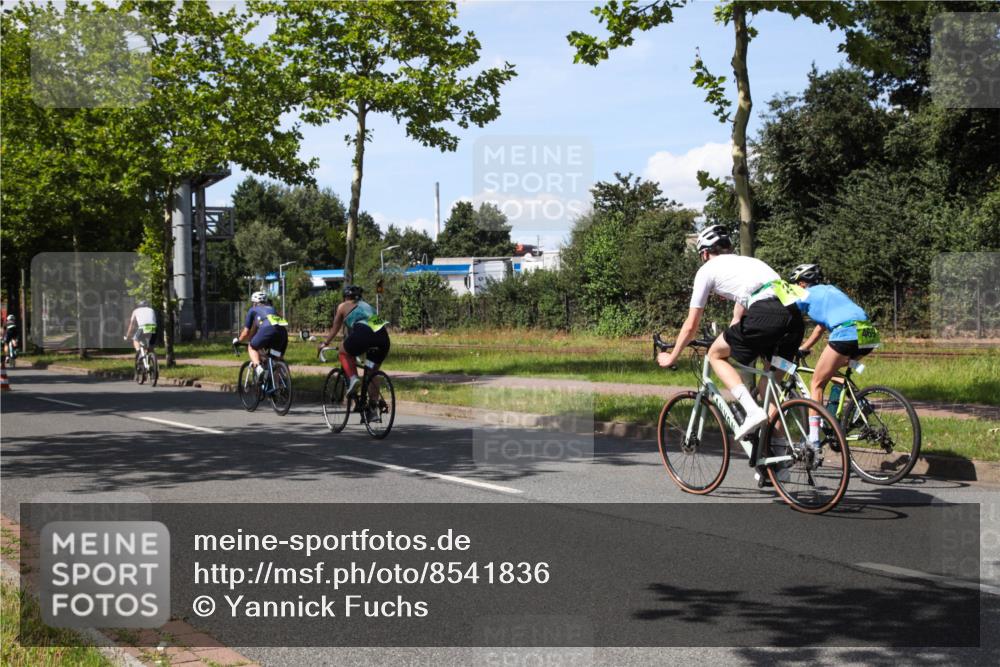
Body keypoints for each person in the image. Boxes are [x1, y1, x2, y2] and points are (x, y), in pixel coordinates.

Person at [656, 225, 806, 442]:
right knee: (768, 387)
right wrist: (733, 327)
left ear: (705, 253)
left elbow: (691, 325)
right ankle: (781, 453)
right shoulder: (750, 263)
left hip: (765, 314)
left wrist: (672, 356)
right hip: (793, 316)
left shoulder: (706, 270)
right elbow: (744, 303)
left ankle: (751, 411)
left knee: (715, 355)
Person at [790, 263, 881, 446]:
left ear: (801, 283)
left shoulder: (804, 294)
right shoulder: (831, 291)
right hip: (869, 333)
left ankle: (813, 439)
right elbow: (819, 329)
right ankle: (860, 404)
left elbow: (789, 316)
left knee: (816, 383)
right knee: (832, 372)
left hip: (846, 333)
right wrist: (804, 348)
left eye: (796, 284)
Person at [319, 285, 390, 411]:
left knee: (343, 351)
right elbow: (374, 325)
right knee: (371, 372)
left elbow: (336, 327)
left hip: (364, 333)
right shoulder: (367, 306)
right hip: (382, 337)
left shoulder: (343, 306)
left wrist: (325, 343)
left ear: (345, 297)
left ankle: (353, 378)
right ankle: (373, 409)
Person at [234, 291, 288, 381]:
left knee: (251, 347)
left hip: (267, 329)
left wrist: (238, 340)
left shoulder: (253, 310)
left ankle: (259, 368)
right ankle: (278, 385)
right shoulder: (272, 309)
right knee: (276, 359)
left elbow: (246, 332)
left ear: (254, 303)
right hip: (282, 333)